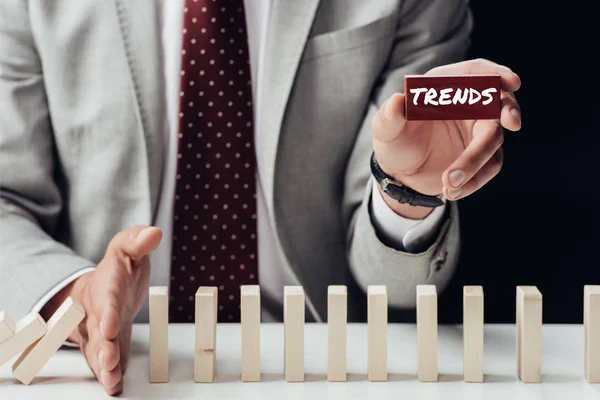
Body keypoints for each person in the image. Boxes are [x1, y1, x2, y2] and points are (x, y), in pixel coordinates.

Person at [0, 0, 521, 395]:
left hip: (324, 365)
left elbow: (397, 289)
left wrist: (407, 190)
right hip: (118, 364)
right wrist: (77, 297)